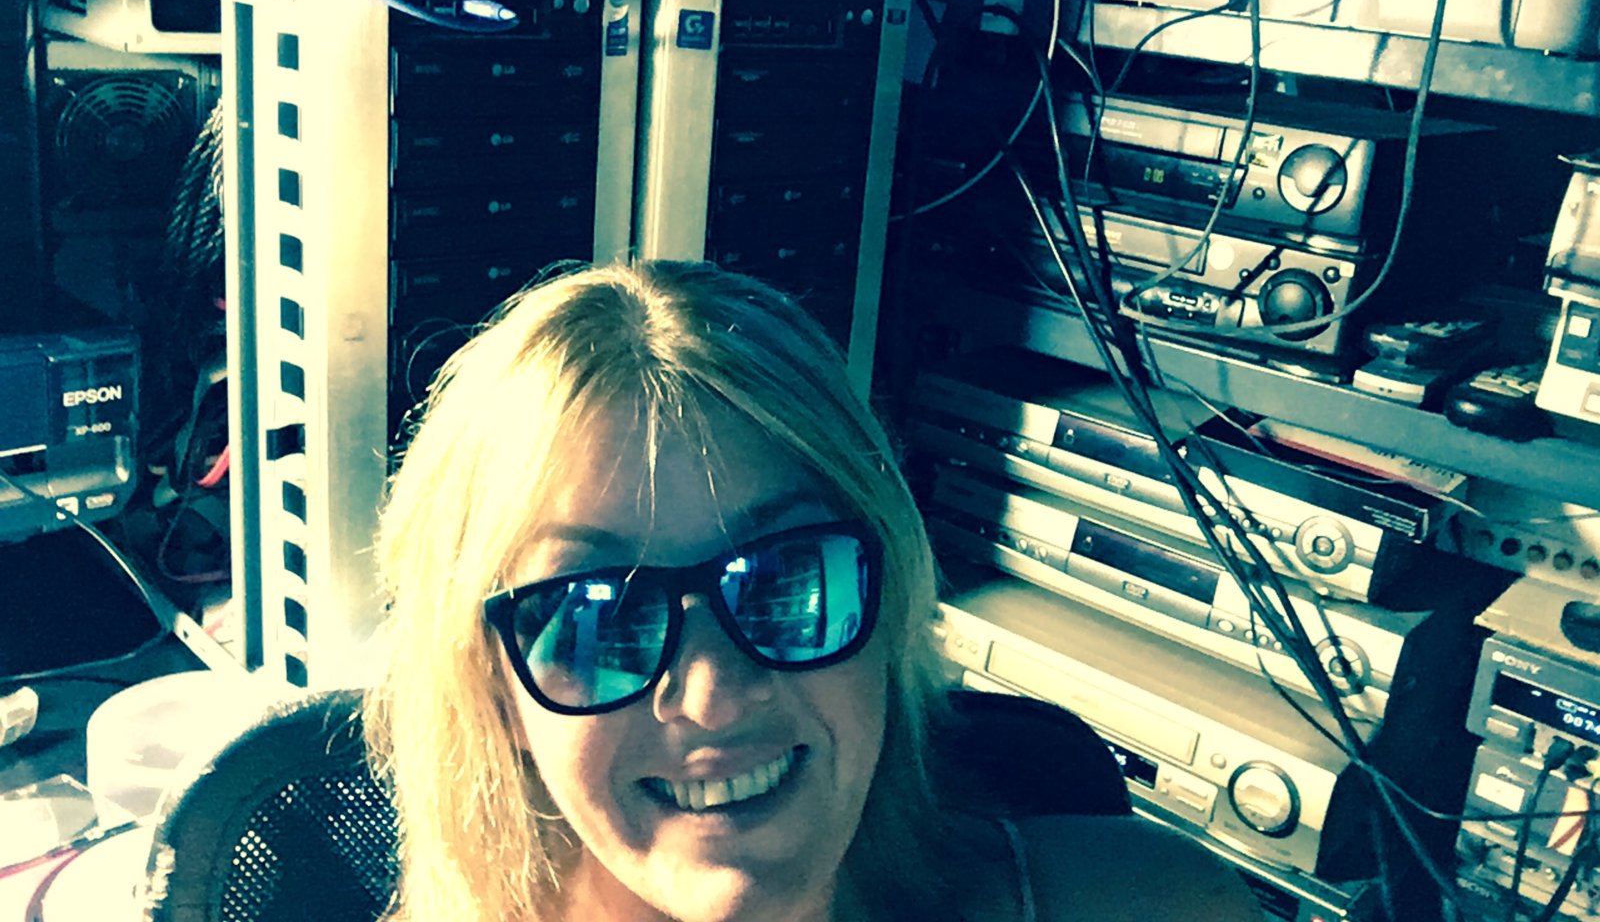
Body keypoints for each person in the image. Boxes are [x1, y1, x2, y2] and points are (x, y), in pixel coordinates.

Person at [363, 259, 1261, 922]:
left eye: (785, 581)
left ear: (891, 598)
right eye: (602, 619)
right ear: (494, 690)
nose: (713, 698)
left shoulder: (1163, 904)